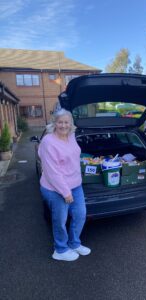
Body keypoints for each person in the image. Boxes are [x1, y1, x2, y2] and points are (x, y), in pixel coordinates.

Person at [38, 108, 91, 261]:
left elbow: (73, 157)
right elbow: (52, 172)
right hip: (55, 188)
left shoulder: (71, 136)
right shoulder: (48, 141)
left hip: (75, 184)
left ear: (71, 124)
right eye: (60, 122)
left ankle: (74, 243)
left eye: (66, 122)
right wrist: (65, 192)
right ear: (54, 123)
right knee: (60, 220)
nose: (63, 125)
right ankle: (60, 249)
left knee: (80, 214)